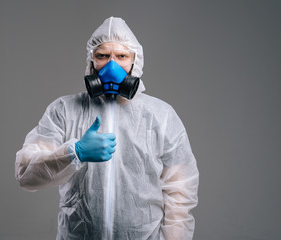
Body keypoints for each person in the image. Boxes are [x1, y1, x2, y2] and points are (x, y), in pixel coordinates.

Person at [15, 16, 199, 240]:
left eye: (122, 56)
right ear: (91, 60)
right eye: (102, 56)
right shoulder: (64, 110)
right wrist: (74, 153)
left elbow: (180, 193)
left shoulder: (161, 116)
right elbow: (26, 174)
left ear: (135, 61)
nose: (112, 65)